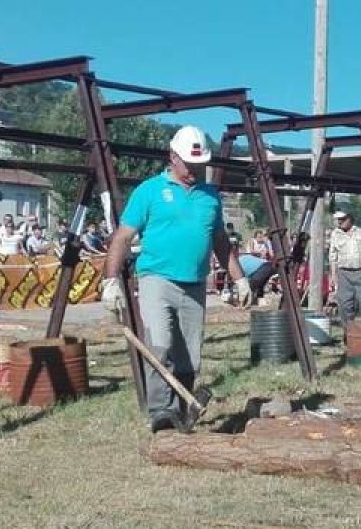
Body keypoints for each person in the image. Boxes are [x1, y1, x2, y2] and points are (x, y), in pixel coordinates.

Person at [99, 125, 249, 433]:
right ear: (172, 157)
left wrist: (240, 279)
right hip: (157, 279)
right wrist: (110, 280)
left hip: (194, 284)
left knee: (189, 358)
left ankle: (182, 410)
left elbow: (220, 241)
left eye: (200, 166)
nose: (195, 171)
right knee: (160, 345)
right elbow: (122, 237)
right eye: (189, 165)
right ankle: (160, 412)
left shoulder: (210, 197)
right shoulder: (150, 191)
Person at [328, 210, 361, 324]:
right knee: (344, 306)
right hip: (344, 274)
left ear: (350, 218)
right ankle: (349, 335)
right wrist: (333, 275)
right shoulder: (335, 234)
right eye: (338, 219)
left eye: (342, 219)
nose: (340, 222)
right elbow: (333, 257)